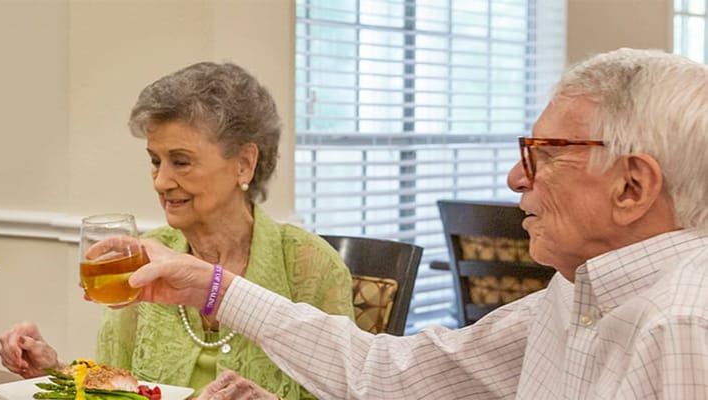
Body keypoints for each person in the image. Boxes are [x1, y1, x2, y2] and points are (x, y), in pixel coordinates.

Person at [128, 48, 708, 399]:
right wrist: (214, 287)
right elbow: (390, 376)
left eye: (545, 154)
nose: (514, 177)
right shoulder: (576, 296)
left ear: (631, 186)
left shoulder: (682, 326)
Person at [0, 62, 354, 399]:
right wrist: (53, 368)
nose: (162, 181)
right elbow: (119, 388)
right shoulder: (142, 260)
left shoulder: (310, 266)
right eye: (155, 161)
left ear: (244, 164)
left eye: (181, 162)